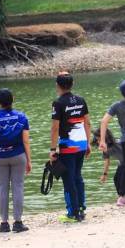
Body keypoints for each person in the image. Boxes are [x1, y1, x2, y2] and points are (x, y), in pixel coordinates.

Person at [0, 88, 32, 233]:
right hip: (19, 156)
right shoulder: (21, 116)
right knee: (18, 187)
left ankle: (4, 223)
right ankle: (18, 222)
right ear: (12, 99)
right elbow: (26, 141)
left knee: (2, 189)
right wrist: (29, 160)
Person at [49, 72, 91, 222]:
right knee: (78, 176)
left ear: (58, 85)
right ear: (72, 84)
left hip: (67, 146)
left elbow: (55, 128)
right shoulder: (81, 100)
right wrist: (88, 143)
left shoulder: (58, 103)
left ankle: (73, 213)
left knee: (69, 179)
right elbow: (87, 123)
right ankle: (81, 208)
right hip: (81, 145)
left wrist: (53, 150)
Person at [92, 128, 125, 203]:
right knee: (116, 179)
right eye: (97, 140)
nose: (98, 142)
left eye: (99, 139)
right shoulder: (104, 148)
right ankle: (123, 197)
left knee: (123, 180)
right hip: (121, 163)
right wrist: (104, 174)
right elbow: (107, 161)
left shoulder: (117, 143)